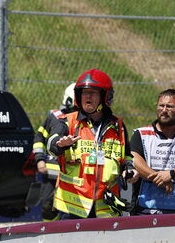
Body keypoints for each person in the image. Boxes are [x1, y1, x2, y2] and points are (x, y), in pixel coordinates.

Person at [46, 69, 136, 218]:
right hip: (74, 207)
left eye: (93, 92)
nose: (87, 96)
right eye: (84, 92)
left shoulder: (118, 125)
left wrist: (129, 169)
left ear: (105, 97)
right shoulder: (67, 121)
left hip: (107, 207)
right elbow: (51, 144)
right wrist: (60, 145)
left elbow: (126, 156)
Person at [129, 89, 175, 214]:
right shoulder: (141, 134)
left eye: (169, 106)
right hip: (142, 213)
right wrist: (159, 178)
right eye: (161, 105)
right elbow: (134, 160)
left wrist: (171, 174)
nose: (164, 110)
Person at [32, 84, 75, 222]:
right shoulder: (55, 117)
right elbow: (39, 137)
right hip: (51, 173)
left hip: (72, 175)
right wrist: (39, 159)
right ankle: (50, 235)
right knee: (47, 206)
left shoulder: (84, 121)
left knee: (70, 209)